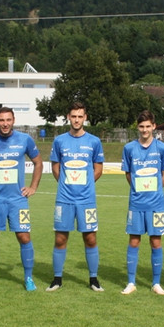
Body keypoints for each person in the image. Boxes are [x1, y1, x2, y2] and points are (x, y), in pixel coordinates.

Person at [0, 107, 43, 291]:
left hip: (18, 200)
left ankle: (28, 278)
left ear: (14, 120)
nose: (5, 124)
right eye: (2, 120)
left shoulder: (24, 139)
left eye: (8, 120)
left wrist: (33, 187)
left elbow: (38, 162)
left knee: (24, 236)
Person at [48, 102, 105, 292]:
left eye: (80, 116)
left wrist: (86, 183)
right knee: (60, 239)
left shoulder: (94, 142)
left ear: (85, 118)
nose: (77, 120)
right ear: (68, 117)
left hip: (87, 200)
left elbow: (98, 169)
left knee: (90, 238)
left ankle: (93, 279)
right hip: (64, 199)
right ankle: (57, 279)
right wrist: (65, 182)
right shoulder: (59, 141)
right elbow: (56, 167)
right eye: (74, 116)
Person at [121, 110, 164, 294]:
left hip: (156, 204)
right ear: (138, 127)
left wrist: (156, 188)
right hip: (136, 203)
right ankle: (131, 282)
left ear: (154, 126)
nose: (144, 130)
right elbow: (128, 173)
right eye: (141, 127)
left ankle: (156, 283)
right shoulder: (129, 148)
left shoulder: (162, 148)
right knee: (134, 241)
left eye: (148, 126)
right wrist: (138, 188)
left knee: (156, 241)